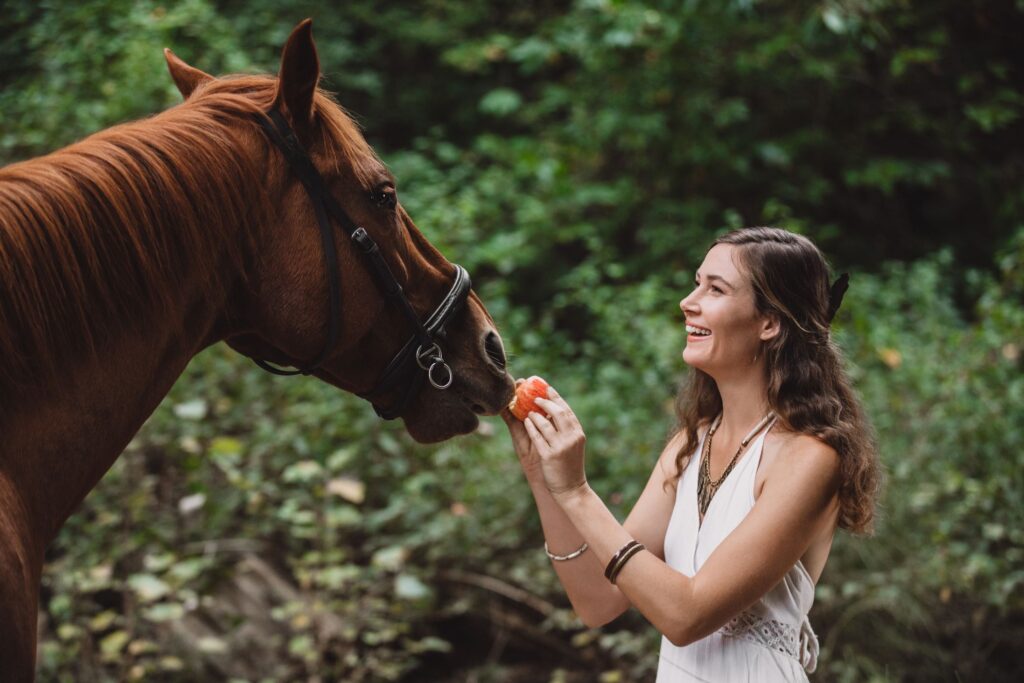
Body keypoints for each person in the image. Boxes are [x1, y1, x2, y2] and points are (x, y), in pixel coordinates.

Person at [502, 226, 881, 681]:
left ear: (770, 322)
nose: (688, 300)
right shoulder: (690, 445)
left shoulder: (810, 458)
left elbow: (687, 615)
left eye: (715, 288)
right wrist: (545, 480)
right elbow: (597, 602)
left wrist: (579, 491)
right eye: (697, 282)